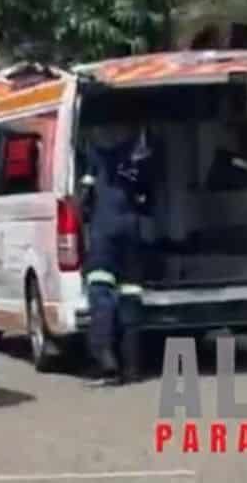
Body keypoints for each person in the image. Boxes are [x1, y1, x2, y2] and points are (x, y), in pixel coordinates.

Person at [80, 121, 155, 387]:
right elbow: (147, 198)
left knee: (101, 294)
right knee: (130, 296)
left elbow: (84, 200)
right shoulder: (136, 159)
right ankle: (132, 368)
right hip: (132, 232)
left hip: (104, 232)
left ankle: (106, 364)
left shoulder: (95, 157)